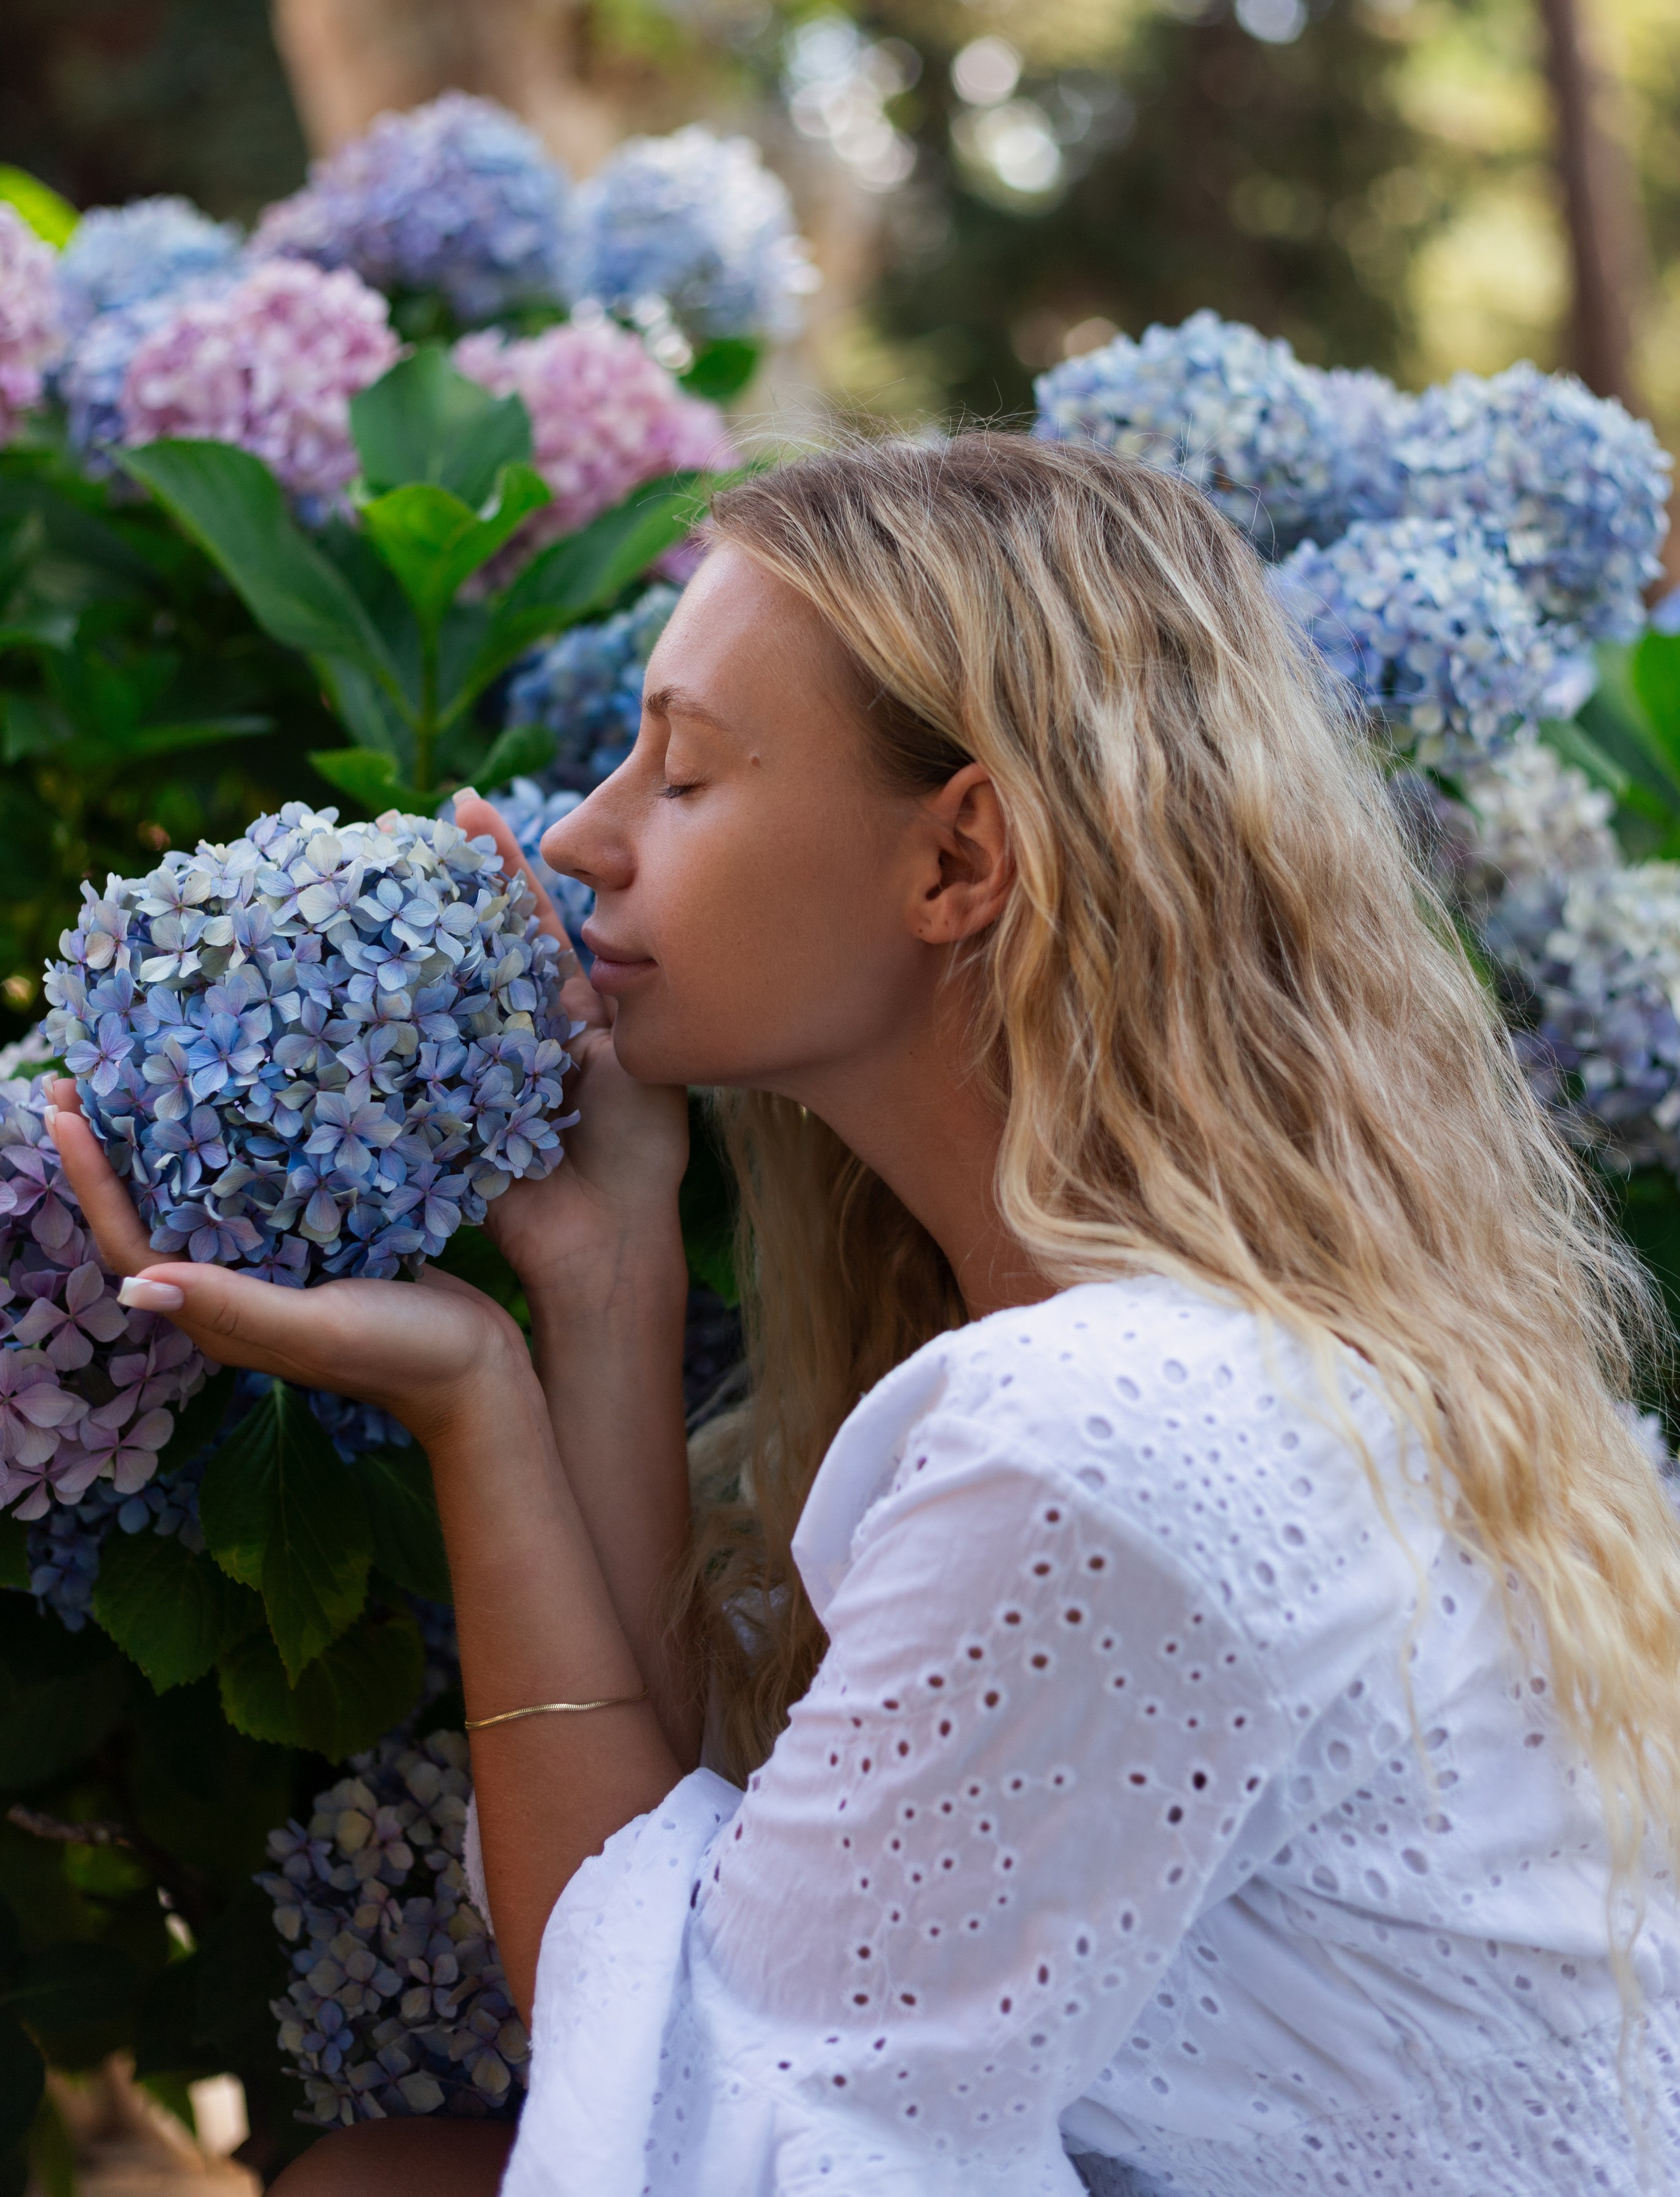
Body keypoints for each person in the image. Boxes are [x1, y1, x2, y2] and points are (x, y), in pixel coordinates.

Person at [50, 434, 1680, 2196]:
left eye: (684, 775)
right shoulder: (1218, 1353)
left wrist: (474, 1403)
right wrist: (601, 1288)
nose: (583, 837)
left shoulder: (1123, 1433)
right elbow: (694, 1940)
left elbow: (689, 2107)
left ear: (957, 855)